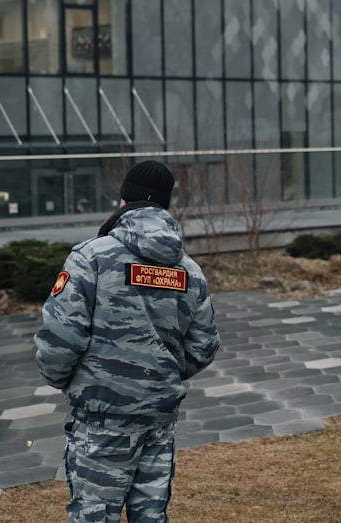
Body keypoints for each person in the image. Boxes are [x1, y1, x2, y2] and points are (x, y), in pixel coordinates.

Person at [34, 160, 221, 522]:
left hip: (103, 417)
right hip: (158, 417)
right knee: (150, 516)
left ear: (124, 200)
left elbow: (59, 339)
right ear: (165, 205)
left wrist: (68, 381)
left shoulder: (91, 257)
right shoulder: (189, 270)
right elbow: (204, 345)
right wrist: (157, 372)